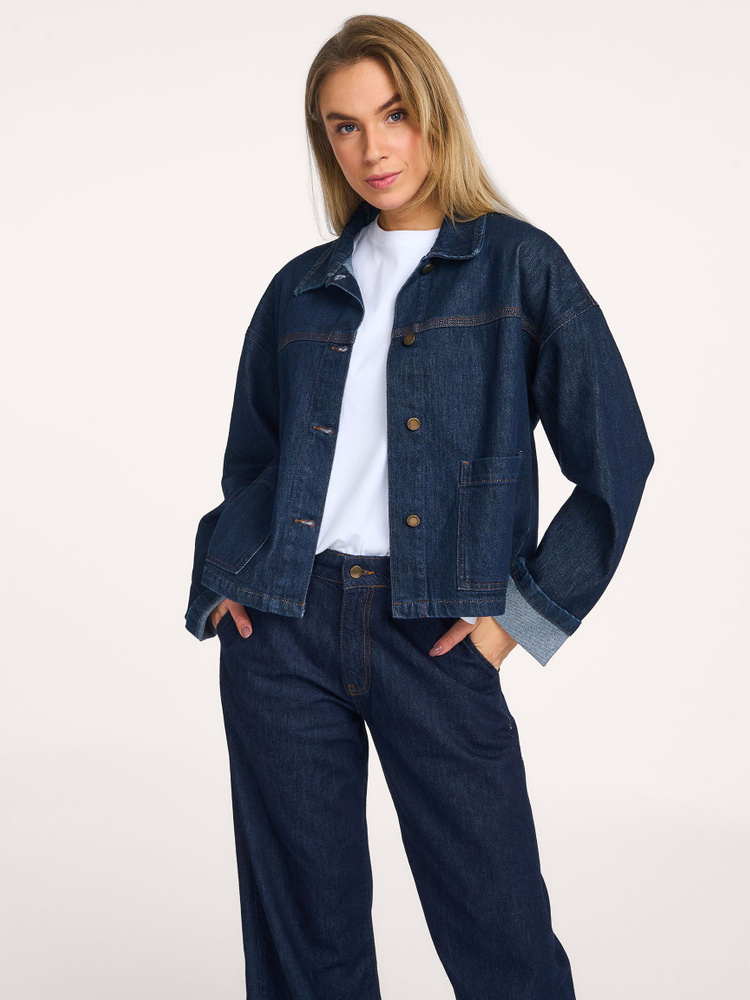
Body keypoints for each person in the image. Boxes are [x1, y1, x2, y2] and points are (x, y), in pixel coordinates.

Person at [184, 14, 654, 1000]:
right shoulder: (300, 291)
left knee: (501, 936)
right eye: (345, 126)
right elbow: (253, 461)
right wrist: (231, 587)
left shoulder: (522, 268)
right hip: (283, 632)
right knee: (303, 947)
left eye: (393, 115)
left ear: (435, 113)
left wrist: (514, 622)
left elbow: (618, 461)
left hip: (437, 631)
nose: (373, 148)